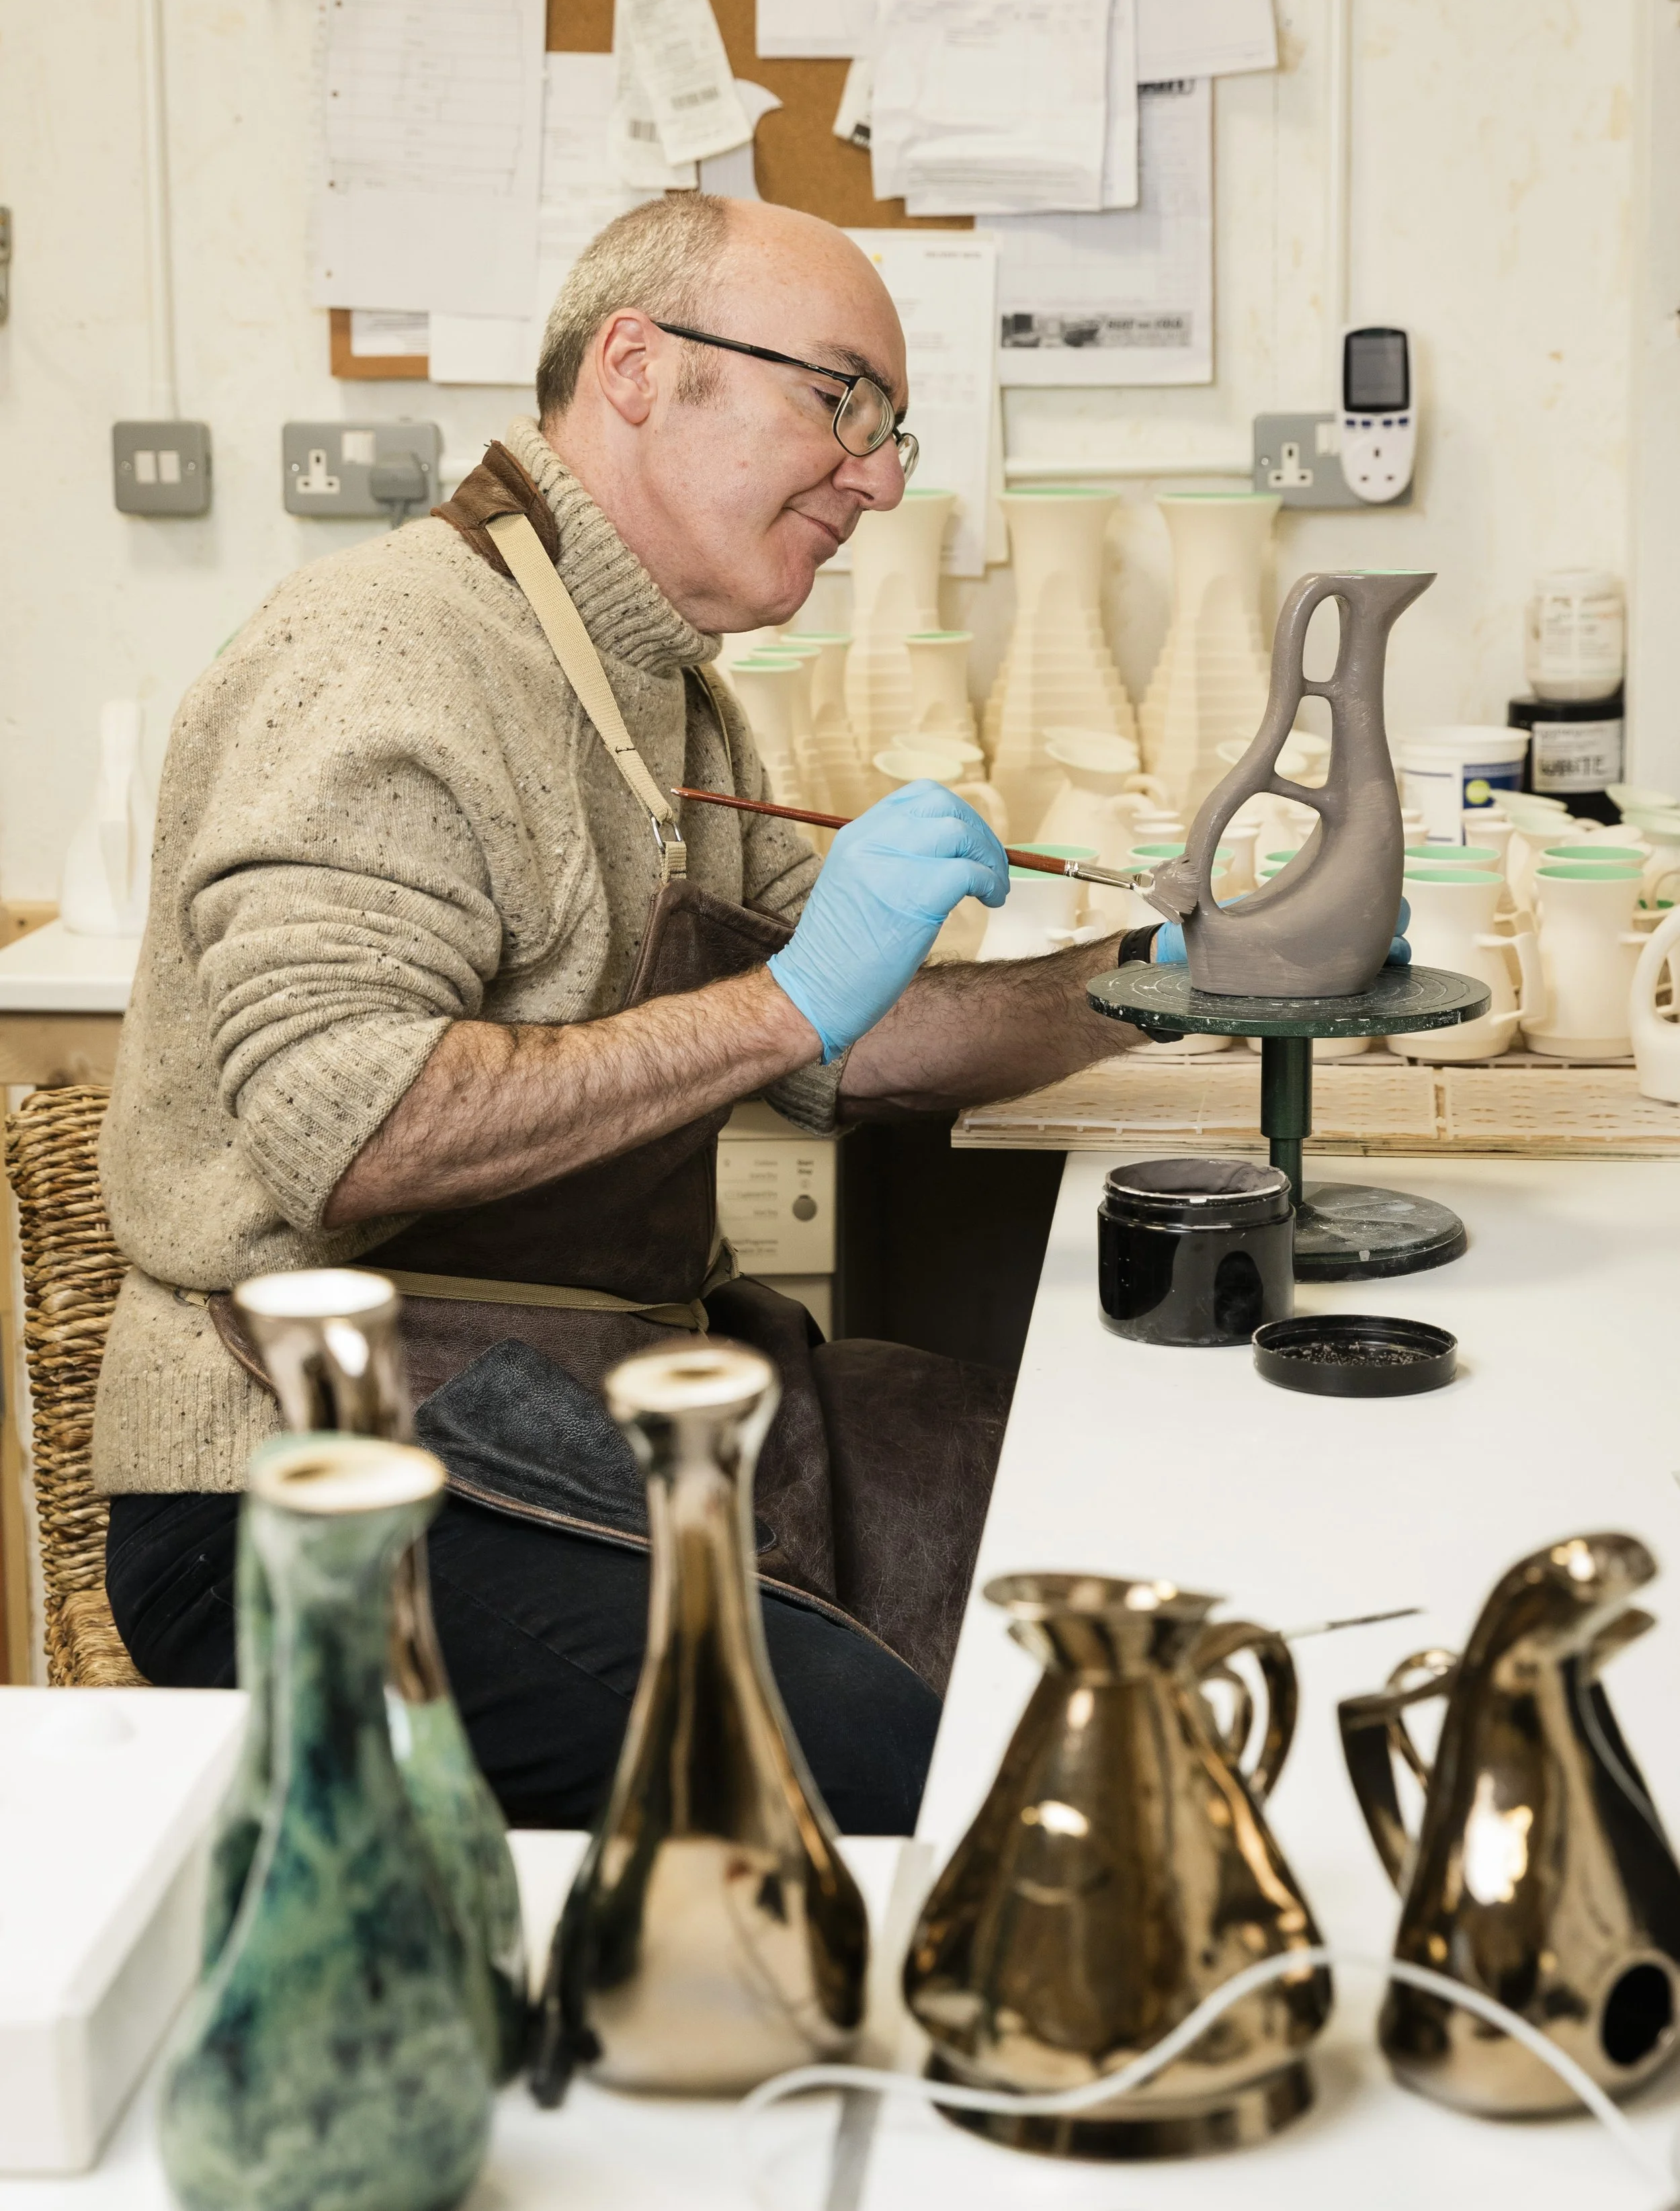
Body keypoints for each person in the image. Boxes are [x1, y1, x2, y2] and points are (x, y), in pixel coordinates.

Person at [91, 194, 1386, 1834]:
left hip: (559, 1394)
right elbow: (351, 1129)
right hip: (298, 1476)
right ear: (639, 366)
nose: (882, 475)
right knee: (882, 1759)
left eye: (890, 427)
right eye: (838, 399)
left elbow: (839, 1047)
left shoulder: (662, 686)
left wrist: (1174, 978)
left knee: (1086, 1510)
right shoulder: (385, 649)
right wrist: (781, 1000)